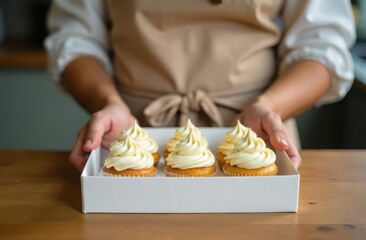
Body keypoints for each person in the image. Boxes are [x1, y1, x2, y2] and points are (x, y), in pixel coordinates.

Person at [45, 0, 355, 172]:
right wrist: (108, 102)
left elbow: (322, 46)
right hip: (131, 133)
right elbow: (75, 40)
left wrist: (269, 107)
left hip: (259, 134)